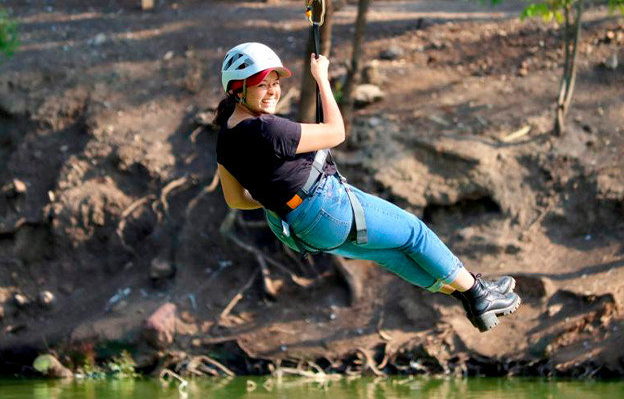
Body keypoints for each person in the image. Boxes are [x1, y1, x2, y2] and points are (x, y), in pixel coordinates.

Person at [214, 42, 521, 332]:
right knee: (414, 233)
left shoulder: (225, 139)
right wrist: (322, 79)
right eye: (261, 84)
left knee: (391, 254)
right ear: (237, 90)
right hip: (325, 208)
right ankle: (480, 294)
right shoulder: (268, 129)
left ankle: (468, 296)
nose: (272, 91)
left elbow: (236, 200)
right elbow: (336, 132)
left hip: (297, 229)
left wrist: (279, 198)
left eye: (275, 83)